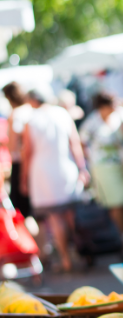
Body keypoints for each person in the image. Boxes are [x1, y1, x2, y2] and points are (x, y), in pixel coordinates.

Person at [21, 88, 88, 272]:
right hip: (65, 167)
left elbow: (27, 152)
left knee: (55, 217)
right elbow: (74, 142)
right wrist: (82, 167)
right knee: (70, 214)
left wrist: (23, 178)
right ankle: (80, 253)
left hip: (44, 173)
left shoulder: (32, 121)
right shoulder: (62, 114)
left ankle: (66, 258)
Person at [79, 92, 123, 243]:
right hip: (103, 167)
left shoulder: (119, 118)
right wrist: (89, 157)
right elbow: (81, 142)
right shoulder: (92, 122)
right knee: (115, 203)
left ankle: (122, 235)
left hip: (122, 164)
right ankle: (119, 239)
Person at [2, 82, 32, 218]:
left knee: (22, 209)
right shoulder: (31, 110)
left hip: (20, 163)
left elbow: (13, 145)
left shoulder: (15, 114)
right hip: (33, 162)